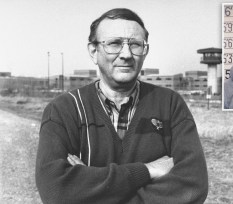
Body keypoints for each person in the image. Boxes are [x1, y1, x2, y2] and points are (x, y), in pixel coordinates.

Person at [35, 8, 208, 203]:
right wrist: (147, 171)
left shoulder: (170, 104)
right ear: (94, 51)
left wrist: (89, 187)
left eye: (135, 45)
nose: (126, 54)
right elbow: (56, 190)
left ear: (145, 51)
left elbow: (192, 186)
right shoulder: (64, 109)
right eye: (114, 44)